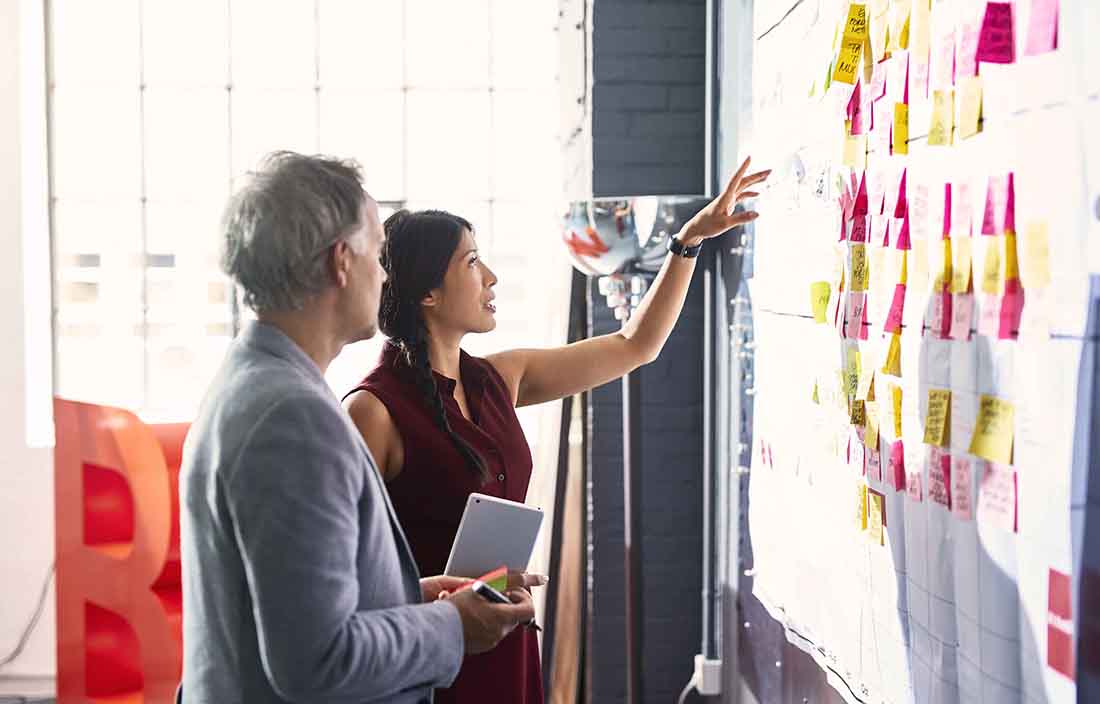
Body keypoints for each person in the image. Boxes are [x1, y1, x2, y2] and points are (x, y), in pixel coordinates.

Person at [343, 157, 770, 702]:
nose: (491, 277)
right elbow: (344, 579)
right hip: (433, 658)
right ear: (428, 293)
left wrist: (687, 241)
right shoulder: (372, 411)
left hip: (509, 639)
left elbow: (634, 346)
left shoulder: (498, 377)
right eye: (472, 262)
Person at [179, 151, 534, 704]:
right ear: (342, 262)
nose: (386, 274)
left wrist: (412, 599)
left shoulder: (258, 380)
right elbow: (316, 661)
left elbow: (291, 608)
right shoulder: (291, 420)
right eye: (378, 253)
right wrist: (451, 626)